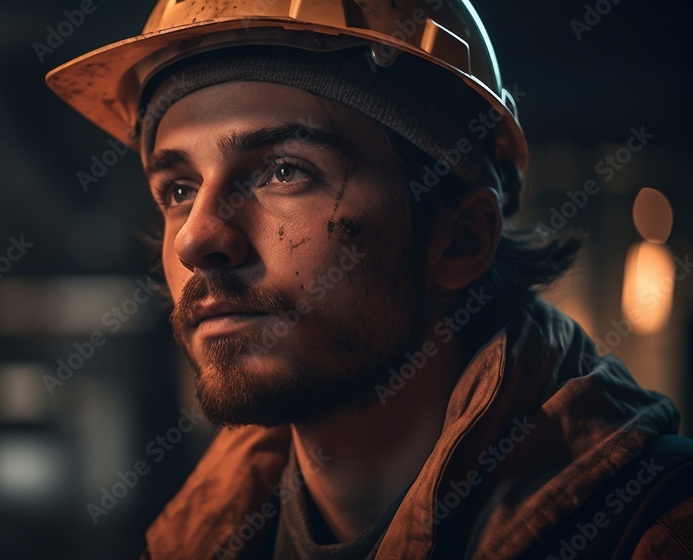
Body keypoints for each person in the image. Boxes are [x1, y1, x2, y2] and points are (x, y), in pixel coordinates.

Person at [46, 1, 693, 558]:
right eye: (179, 189)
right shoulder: (194, 540)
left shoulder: (652, 529)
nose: (197, 238)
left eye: (284, 171)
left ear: (460, 239)